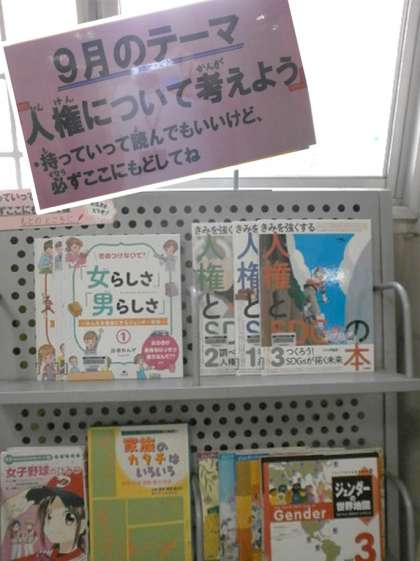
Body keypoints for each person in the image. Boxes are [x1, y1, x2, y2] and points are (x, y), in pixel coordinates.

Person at [1, 472, 87, 561]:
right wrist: (5, 513)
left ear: (83, 524)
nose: (54, 524)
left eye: (68, 517)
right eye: (49, 516)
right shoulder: (42, 557)